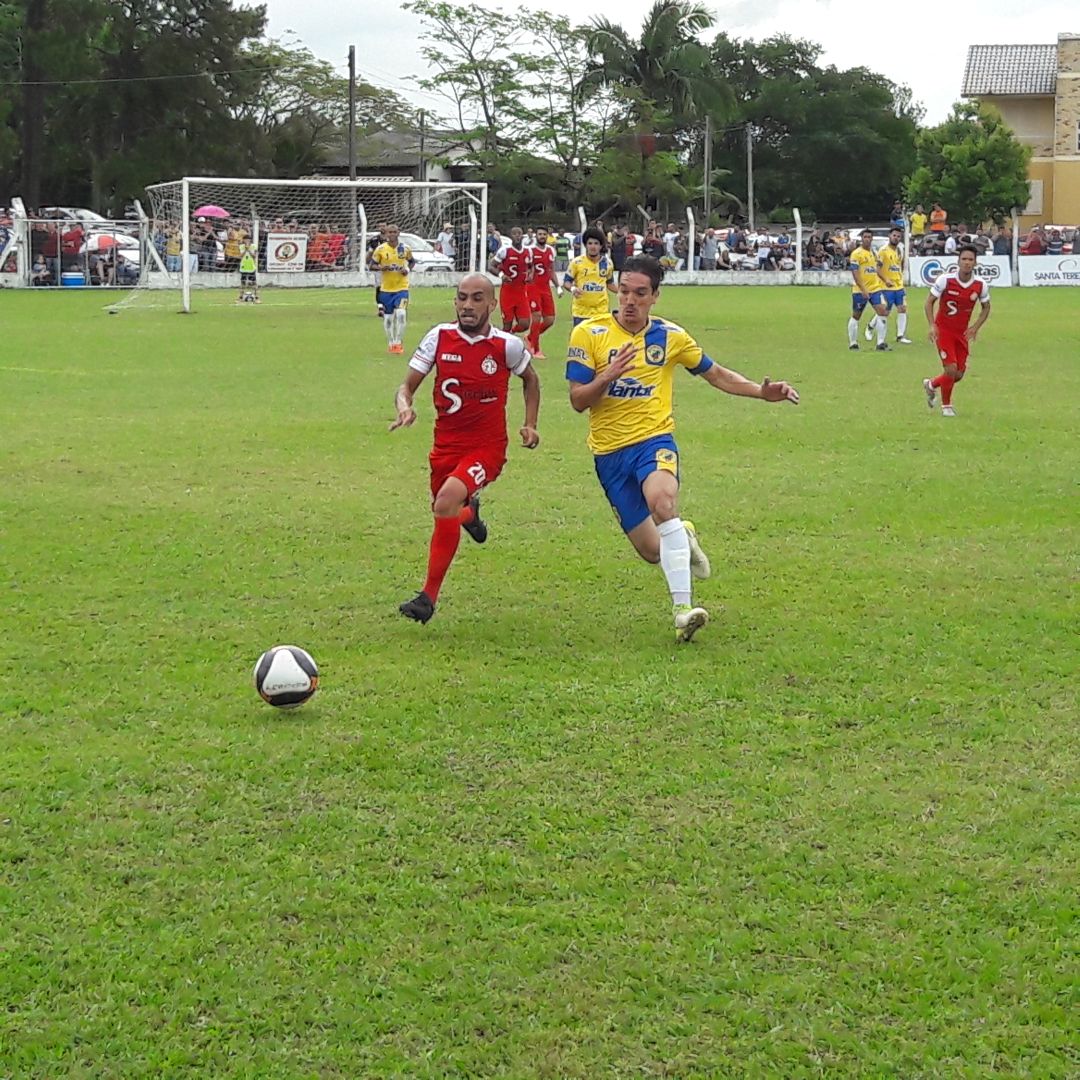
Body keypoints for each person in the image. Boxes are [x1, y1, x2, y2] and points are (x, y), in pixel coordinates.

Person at [565, 255, 799, 644]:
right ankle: (683, 537)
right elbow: (577, 400)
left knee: (663, 502)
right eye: (623, 291)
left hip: (653, 441)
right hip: (608, 455)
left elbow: (716, 374)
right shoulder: (589, 334)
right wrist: (607, 375)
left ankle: (682, 610)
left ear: (655, 296)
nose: (630, 301)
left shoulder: (671, 337)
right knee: (652, 552)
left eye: (640, 293)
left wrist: (760, 392)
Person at [390, 273, 541, 623]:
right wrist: (404, 406)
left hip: (486, 449)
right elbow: (406, 386)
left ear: (492, 304)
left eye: (476, 299)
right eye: (461, 298)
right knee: (446, 509)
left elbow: (531, 380)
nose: (467, 306)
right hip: (445, 447)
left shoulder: (507, 346)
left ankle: (427, 597)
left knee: (445, 502)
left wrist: (530, 424)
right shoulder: (439, 338)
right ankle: (469, 515)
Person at [922, 244, 990, 418]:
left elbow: (986, 307)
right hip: (944, 331)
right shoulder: (945, 280)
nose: (967, 263)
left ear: (976, 263)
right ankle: (947, 406)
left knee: (958, 375)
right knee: (951, 370)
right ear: (958, 261)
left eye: (970, 260)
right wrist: (932, 325)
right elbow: (929, 302)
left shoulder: (980, 285)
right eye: (964, 259)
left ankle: (931, 384)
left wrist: (975, 327)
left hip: (962, 333)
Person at [368, 224, 414, 354]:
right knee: (388, 318)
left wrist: (407, 269)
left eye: (395, 232)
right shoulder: (380, 249)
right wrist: (381, 268)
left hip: (402, 287)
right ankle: (390, 341)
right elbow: (371, 265)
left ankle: (398, 343)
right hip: (386, 289)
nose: (392, 234)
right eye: (390, 232)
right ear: (387, 234)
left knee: (401, 314)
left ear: (398, 233)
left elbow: (412, 261)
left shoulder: (405, 248)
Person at [563, 226, 617, 326]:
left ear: (601, 246)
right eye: (590, 243)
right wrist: (573, 289)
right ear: (586, 245)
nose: (593, 246)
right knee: (580, 341)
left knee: (601, 341)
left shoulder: (607, 263)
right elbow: (566, 282)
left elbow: (610, 284)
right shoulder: (576, 262)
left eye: (596, 243)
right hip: (581, 312)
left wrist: (623, 291)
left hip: (601, 312)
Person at [848, 229, 890, 351]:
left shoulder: (873, 253)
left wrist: (885, 279)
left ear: (872, 239)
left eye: (869, 237)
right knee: (856, 315)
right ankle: (853, 343)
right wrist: (863, 289)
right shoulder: (856, 254)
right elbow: (855, 272)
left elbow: (875, 269)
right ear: (861, 239)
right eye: (865, 237)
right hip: (860, 290)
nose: (867, 239)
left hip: (875, 289)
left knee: (883, 311)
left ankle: (880, 343)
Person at [488, 225, 533, 336]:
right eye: (514, 234)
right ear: (510, 236)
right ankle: (504, 342)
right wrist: (501, 275)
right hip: (508, 292)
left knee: (525, 324)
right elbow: (491, 266)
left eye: (519, 234)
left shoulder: (528, 251)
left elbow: (531, 267)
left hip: (522, 292)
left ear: (522, 236)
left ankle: (510, 334)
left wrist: (531, 275)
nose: (517, 236)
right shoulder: (505, 251)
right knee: (507, 324)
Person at [870, 227, 912, 345]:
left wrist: (900, 279)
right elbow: (877, 269)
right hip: (886, 286)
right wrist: (886, 279)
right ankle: (871, 325)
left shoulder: (900, 250)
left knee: (902, 308)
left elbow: (900, 265)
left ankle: (900, 336)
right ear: (889, 236)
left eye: (898, 236)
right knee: (885, 311)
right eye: (894, 235)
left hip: (898, 285)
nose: (896, 238)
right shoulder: (883, 250)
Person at [526, 226, 559, 358]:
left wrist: (558, 286)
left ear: (547, 236)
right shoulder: (530, 251)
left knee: (549, 320)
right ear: (536, 236)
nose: (542, 236)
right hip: (533, 287)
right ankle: (535, 349)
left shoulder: (551, 250)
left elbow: (551, 269)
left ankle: (529, 338)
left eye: (544, 234)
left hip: (546, 287)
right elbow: (527, 268)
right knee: (536, 316)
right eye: (539, 234)